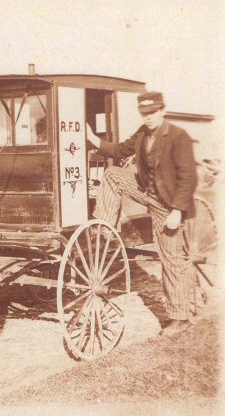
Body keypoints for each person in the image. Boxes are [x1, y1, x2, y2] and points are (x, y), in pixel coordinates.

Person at [87, 91, 197, 336]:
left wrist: (177, 211)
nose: (148, 117)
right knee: (113, 174)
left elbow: (188, 178)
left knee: (170, 259)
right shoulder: (142, 133)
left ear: (161, 111)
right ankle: (104, 230)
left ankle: (180, 318)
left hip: (167, 205)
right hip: (145, 190)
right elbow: (119, 151)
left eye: (152, 113)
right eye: (144, 113)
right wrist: (93, 139)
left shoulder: (178, 137)